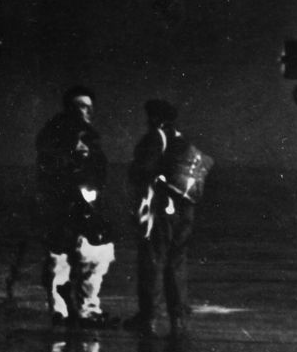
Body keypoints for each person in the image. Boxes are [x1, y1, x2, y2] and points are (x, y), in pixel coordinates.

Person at [34, 85, 114, 327]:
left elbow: (99, 170)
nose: (85, 111)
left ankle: (85, 309)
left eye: (88, 107)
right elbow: (49, 170)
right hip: (62, 205)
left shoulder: (89, 137)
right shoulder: (54, 136)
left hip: (83, 207)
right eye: (80, 106)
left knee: (91, 258)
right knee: (60, 259)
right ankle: (63, 310)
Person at [126, 99, 203, 338]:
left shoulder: (155, 138)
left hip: (161, 209)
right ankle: (179, 319)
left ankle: (148, 318)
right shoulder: (183, 141)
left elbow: (141, 171)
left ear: (154, 117)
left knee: (152, 260)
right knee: (177, 262)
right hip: (185, 210)